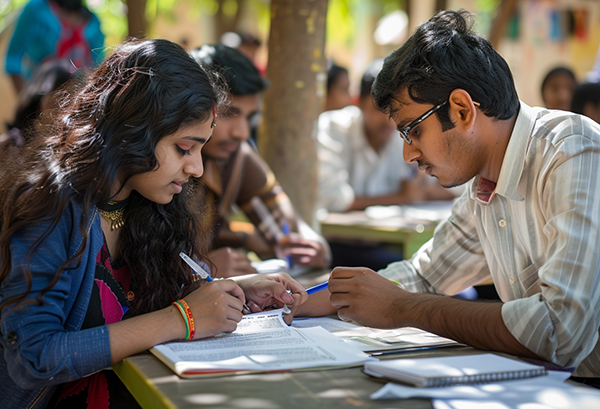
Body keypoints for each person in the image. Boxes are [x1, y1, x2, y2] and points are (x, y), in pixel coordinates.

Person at [0, 38, 308, 409]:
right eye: (184, 148)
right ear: (134, 131)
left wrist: (237, 290)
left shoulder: (144, 203)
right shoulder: (51, 207)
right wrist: (183, 319)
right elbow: (34, 357)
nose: (196, 168)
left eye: (199, 148)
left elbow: (142, 304)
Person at [298, 10, 600, 386]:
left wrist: (402, 309)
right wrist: (310, 299)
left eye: (412, 132)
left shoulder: (573, 153)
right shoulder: (485, 182)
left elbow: (560, 332)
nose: (408, 155)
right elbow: (425, 275)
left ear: (461, 110)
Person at [190, 44, 331, 278]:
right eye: (229, 113)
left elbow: (286, 221)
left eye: (249, 117)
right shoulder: (159, 163)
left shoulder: (236, 157)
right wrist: (199, 269)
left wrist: (314, 247)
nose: (242, 133)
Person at [318, 58, 456, 214]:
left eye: (394, 112)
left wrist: (418, 191)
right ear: (359, 103)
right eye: (379, 109)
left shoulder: (405, 131)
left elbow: (445, 188)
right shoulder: (331, 129)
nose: (388, 120)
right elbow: (333, 200)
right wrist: (400, 197)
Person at [5, 0, 105, 94]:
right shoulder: (37, 9)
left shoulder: (93, 22)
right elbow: (12, 59)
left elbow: (97, 70)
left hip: (76, 102)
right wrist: (26, 104)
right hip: (39, 97)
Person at [0, 59, 73, 162]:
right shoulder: (9, 145)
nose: (61, 108)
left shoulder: (71, 143)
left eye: (68, 102)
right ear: (38, 99)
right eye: (55, 103)